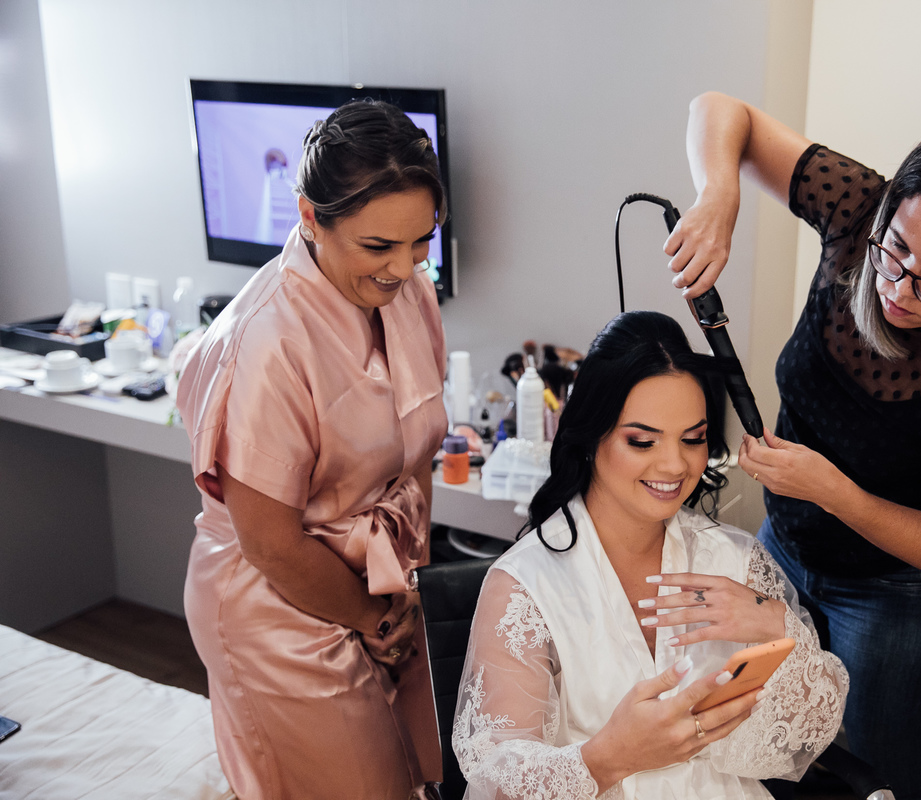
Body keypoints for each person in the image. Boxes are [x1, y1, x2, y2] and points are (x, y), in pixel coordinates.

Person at [664, 92, 921, 799]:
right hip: (787, 545)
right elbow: (719, 109)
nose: (901, 285)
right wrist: (720, 194)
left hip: (904, 600)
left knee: (881, 779)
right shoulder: (859, 210)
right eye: (898, 249)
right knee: (762, 743)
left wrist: (834, 492)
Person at [451, 311, 847, 799]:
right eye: (642, 440)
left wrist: (776, 625)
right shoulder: (525, 585)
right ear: (592, 435)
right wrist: (609, 757)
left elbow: (803, 738)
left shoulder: (736, 560)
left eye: (693, 438)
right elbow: (498, 784)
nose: (674, 465)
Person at [176, 100, 448, 800]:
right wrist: (371, 616)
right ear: (308, 218)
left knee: (424, 770)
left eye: (421, 242)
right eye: (378, 246)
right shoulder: (267, 344)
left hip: (383, 583)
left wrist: (406, 587)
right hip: (275, 602)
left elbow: (415, 458)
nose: (403, 269)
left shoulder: (412, 295)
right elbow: (269, 544)